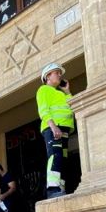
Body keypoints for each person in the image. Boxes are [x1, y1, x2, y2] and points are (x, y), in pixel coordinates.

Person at [36, 62, 75, 198]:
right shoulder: (43, 90)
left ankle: (60, 187)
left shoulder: (60, 93)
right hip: (53, 128)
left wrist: (67, 92)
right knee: (55, 155)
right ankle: (52, 188)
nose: (60, 75)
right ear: (48, 76)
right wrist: (53, 126)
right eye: (57, 73)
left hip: (63, 129)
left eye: (60, 73)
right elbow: (43, 110)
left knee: (63, 158)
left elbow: (71, 106)